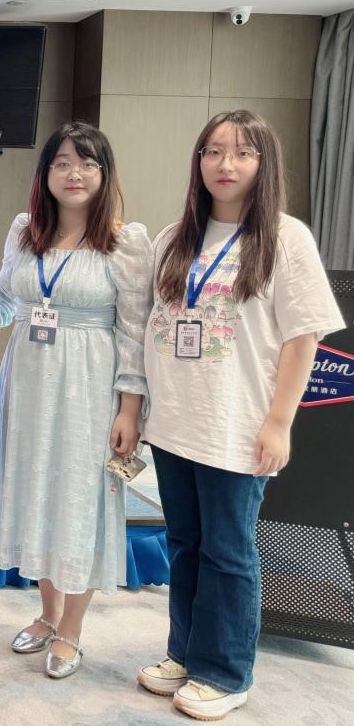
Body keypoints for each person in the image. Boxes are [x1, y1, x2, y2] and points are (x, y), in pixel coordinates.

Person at [136, 110, 343, 721]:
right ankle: (184, 653)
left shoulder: (285, 238)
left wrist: (279, 422)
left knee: (229, 552)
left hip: (237, 425)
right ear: (198, 161)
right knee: (185, 546)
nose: (225, 164)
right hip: (174, 422)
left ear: (263, 163)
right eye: (213, 151)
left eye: (242, 152)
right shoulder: (173, 238)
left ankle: (225, 672)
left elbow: (303, 337)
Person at [0, 122, 151, 679]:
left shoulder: (125, 241)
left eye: (88, 163)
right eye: (63, 163)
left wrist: (129, 408)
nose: (75, 174)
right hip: (26, 380)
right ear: (45, 173)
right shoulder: (25, 232)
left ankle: (72, 626)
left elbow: (134, 331)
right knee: (35, 492)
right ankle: (47, 613)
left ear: (105, 173)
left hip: (89, 385)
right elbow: (4, 299)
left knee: (79, 498)